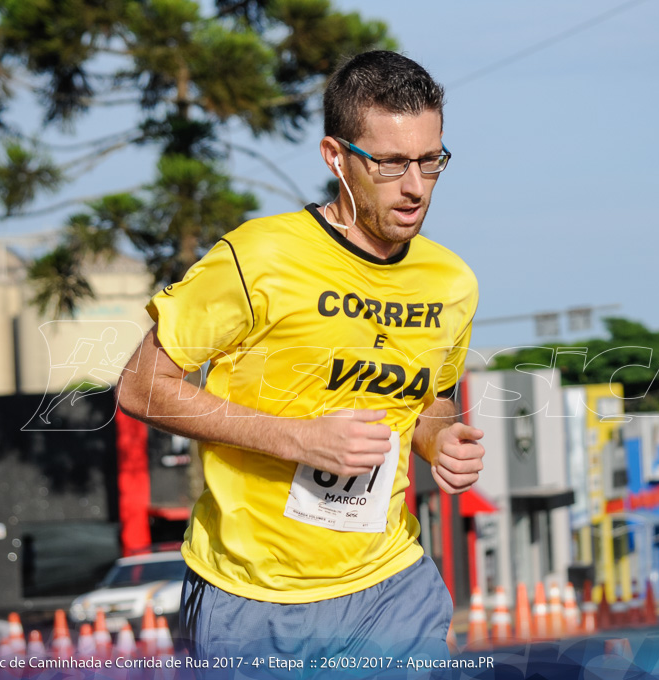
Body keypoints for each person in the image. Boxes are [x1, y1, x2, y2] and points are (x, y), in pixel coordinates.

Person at [118, 50, 484, 671]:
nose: (416, 186)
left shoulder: (451, 283)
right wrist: (301, 441)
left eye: (430, 160)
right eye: (391, 163)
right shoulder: (258, 257)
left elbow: (429, 405)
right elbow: (141, 388)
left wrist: (440, 440)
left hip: (392, 584)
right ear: (335, 157)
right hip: (253, 599)